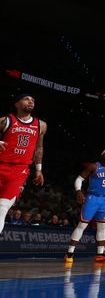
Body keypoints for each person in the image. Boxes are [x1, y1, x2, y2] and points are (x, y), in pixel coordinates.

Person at [65, 149, 105, 264]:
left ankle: (99, 255)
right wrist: (78, 191)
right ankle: (69, 253)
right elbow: (79, 179)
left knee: (102, 227)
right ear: (102, 156)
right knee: (82, 225)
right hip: (92, 197)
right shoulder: (94, 166)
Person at [0, 93, 47, 235]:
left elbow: (39, 147)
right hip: (1, 164)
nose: (31, 101)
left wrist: (38, 169)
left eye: (33, 100)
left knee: (2, 207)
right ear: (17, 104)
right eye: (27, 99)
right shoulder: (6, 120)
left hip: (19, 170)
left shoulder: (41, 125)